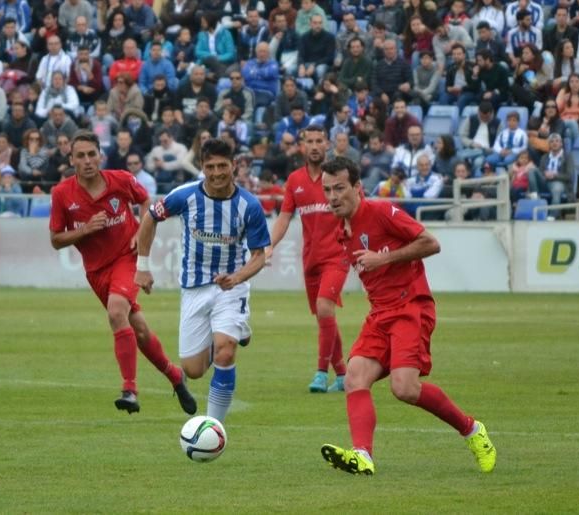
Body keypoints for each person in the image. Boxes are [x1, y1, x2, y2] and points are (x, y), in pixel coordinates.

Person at [318, 156, 496, 476]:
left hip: (411, 306)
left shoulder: (382, 211)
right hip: (380, 313)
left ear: (358, 187)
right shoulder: (339, 230)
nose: (332, 197)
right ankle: (363, 455)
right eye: (327, 190)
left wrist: (383, 259)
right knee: (355, 376)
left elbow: (431, 243)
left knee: (405, 389)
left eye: (339, 188)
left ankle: (472, 431)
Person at [49, 131, 197, 415]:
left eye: (92, 154)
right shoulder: (62, 194)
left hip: (127, 260)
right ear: (71, 160)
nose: (87, 160)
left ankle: (129, 389)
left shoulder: (120, 179)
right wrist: (85, 230)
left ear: (100, 156)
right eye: (80, 156)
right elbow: (56, 239)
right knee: (138, 330)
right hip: (96, 272)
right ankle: (175, 377)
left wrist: (141, 229)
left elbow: (147, 204)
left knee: (116, 312)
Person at [134, 138, 270, 423]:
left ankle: (214, 428)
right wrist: (143, 266)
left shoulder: (250, 205)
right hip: (194, 287)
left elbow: (258, 256)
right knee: (193, 369)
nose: (218, 173)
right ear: (202, 167)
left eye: (223, 166)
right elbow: (150, 218)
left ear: (234, 166)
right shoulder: (184, 196)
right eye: (211, 166)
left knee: (225, 352)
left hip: (231, 286)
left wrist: (237, 277)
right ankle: (236, 329)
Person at [267, 125, 350, 393]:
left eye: (319, 140)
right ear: (302, 146)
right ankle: (342, 375)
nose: (314, 146)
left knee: (325, 309)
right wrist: (269, 246)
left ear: (327, 144)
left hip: (337, 255)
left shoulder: (339, 176)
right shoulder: (294, 180)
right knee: (324, 317)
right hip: (311, 259)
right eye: (309, 141)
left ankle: (319, 374)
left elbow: (358, 209)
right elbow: (284, 217)